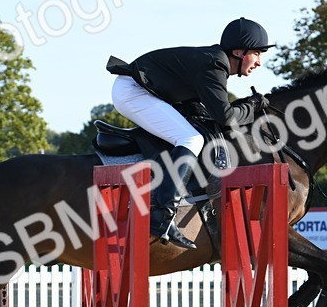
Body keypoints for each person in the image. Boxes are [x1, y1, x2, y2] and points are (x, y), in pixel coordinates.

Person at [108, 17, 273, 249]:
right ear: (239, 52)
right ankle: (163, 216)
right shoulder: (215, 65)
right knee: (191, 138)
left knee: (193, 133)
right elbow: (226, 118)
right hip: (133, 92)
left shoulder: (214, 62)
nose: (259, 62)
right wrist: (252, 106)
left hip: (142, 90)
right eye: (257, 54)